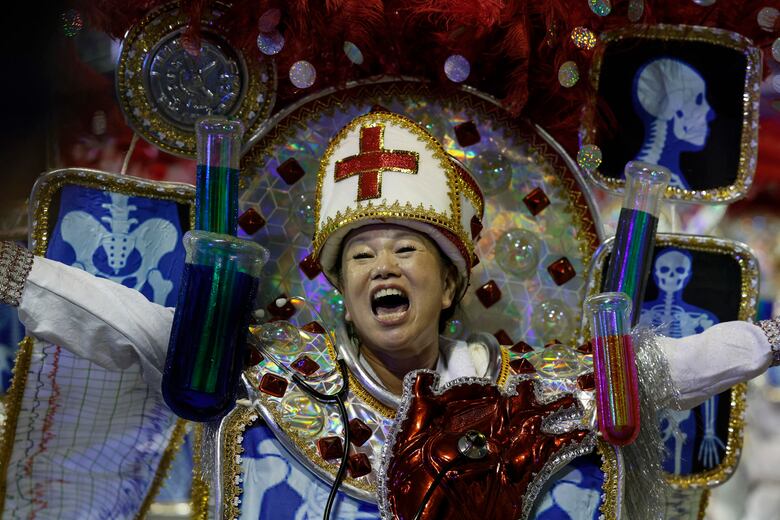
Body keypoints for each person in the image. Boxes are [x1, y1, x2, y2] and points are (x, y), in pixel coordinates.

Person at [0, 110, 778, 519]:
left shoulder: (527, 399)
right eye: (363, 253)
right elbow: (135, 327)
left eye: (409, 249)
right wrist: (16, 274)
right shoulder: (280, 385)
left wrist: (772, 339)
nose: (385, 266)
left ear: (450, 287)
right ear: (341, 287)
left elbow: (671, 368)